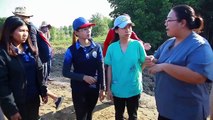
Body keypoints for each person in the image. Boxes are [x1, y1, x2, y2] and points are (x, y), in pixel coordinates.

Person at [145, 4, 213, 120]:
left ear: (182, 23)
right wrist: (152, 60)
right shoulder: (169, 43)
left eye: (169, 20)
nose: (165, 23)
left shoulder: (199, 46)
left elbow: (198, 77)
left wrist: (165, 67)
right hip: (166, 110)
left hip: (187, 113)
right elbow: (158, 61)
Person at [0, 16, 48, 120]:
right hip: (17, 103)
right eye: (21, 30)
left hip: (33, 99)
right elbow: (2, 84)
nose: (25, 34)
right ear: (10, 32)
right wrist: (11, 109)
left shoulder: (30, 49)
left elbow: (39, 71)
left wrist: (43, 91)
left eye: (26, 30)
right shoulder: (3, 54)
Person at [62, 17, 105, 120]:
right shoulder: (71, 50)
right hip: (78, 88)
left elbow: (101, 68)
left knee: (89, 114)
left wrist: (102, 88)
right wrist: (83, 77)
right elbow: (65, 72)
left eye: (89, 28)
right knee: (81, 116)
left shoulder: (97, 47)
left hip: (93, 88)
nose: (88, 31)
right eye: (85, 29)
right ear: (76, 32)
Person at [104, 15, 146, 120]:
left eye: (129, 27)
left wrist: (138, 72)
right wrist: (108, 88)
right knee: (119, 115)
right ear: (116, 30)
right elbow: (109, 68)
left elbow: (144, 62)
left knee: (133, 115)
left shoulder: (137, 45)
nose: (128, 30)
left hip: (133, 87)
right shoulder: (112, 48)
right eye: (124, 27)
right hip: (117, 88)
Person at [39, 21, 63, 110]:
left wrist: (51, 51)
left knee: (43, 80)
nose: (47, 29)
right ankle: (53, 98)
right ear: (42, 27)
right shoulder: (38, 35)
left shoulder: (47, 35)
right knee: (41, 80)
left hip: (47, 60)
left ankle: (54, 98)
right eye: (45, 27)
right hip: (41, 61)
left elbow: (48, 45)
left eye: (48, 27)